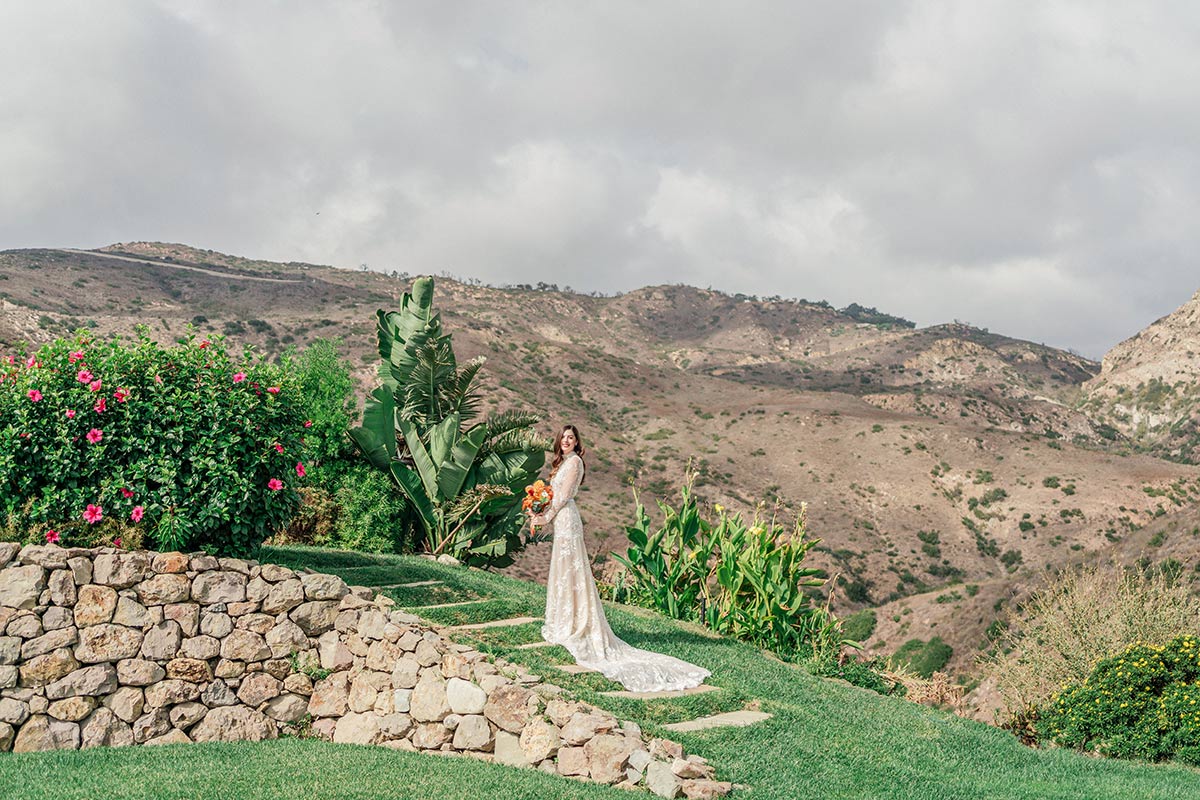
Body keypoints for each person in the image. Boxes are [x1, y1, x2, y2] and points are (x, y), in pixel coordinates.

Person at [528, 424, 710, 692]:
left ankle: (575, 623)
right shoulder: (563, 463)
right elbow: (553, 496)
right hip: (561, 521)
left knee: (572, 569)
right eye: (563, 437)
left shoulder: (575, 462)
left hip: (566, 519)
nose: (566, 441)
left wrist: (542, 518)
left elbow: (563, 497)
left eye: (571, 437)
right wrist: (539, 508)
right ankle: (564, 619)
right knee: (564, 570)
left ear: (577, 442)